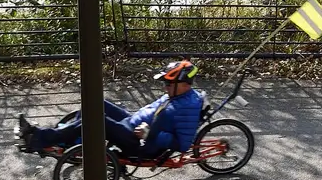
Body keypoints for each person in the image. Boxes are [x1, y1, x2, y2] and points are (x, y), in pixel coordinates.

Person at [18, 60, 203, 159]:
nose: (165, 87)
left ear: (184, 84)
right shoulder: (177, 95)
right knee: (95, 103)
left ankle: (40, 138)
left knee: (95, 120)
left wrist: (148, 134)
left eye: (169, 84)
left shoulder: (187, 106)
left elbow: (183, 144)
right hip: (132, 123)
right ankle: (69, 140)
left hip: (140, 145)